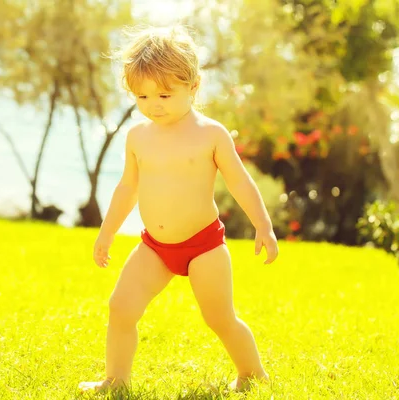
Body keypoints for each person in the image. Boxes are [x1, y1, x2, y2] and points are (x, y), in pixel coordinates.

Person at [79, 25, 279, 393]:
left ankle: (252, 373)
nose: (154, 104)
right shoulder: (138, 136)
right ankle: (115, 379)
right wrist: (106, 233)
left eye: (165, 94)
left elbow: (239, 181)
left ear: (194, 86)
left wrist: (262, 225)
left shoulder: (211, 134)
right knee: (121, 307)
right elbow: (127, 188)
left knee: (219, 318)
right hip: (154, 246)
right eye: (142, 95)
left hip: (204, 247)